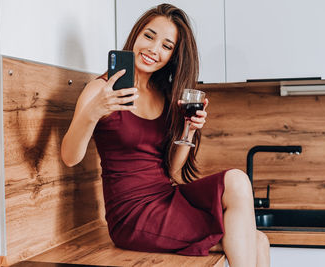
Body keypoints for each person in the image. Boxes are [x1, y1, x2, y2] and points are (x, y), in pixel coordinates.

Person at [61, 3, 270, 267]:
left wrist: (189, 129)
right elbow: (69, 157)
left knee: (244, 197)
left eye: (166, 46)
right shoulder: (101, 89)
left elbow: (171, 169)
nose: (153, 49)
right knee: (253, 240)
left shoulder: (164, 95)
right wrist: (94, 111)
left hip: (167, 198)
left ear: (172, 56)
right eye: (149, 36)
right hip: (133, 215)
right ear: (136, 35)